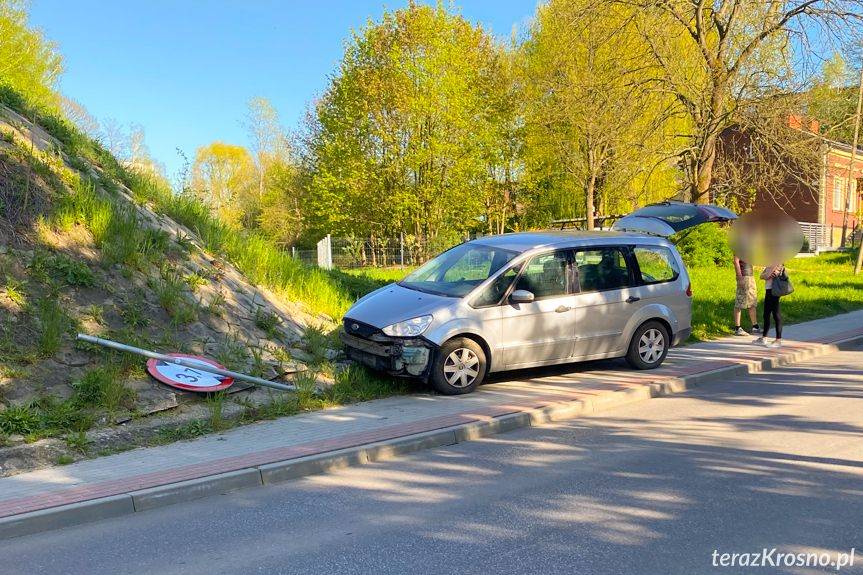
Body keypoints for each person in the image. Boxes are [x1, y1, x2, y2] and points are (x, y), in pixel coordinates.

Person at [754, 263, 784, 348]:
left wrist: (766, 275)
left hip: (773, 290)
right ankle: (764, 337)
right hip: (769, 289)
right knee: (766, 314)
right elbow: (762, 276)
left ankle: (778, 340)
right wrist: (766, 275)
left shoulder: (776, 261)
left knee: (776, 314)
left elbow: (766, 276)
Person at [733, 255, 760, 336]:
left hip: (750, 276)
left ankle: (755, 326)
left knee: (752, 301)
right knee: (740, 301)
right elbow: (736, 261)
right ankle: (737, 328)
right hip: (744, 276)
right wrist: (739, 276)